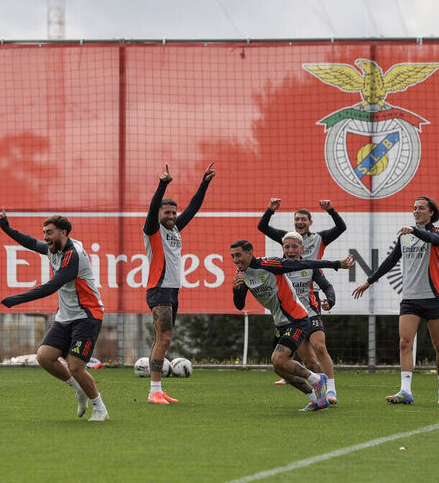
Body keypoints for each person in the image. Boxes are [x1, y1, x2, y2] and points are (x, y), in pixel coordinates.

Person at [0, 211, 109, 421]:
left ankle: (100, 409)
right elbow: (30, 242)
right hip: (65, 316)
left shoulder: (73, 255)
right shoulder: (54, 249)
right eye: (44, 233)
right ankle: (79, 389)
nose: (45, 237)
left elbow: (52, 286)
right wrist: (6, 228)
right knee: (44, 357)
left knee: (75, 365)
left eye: (49, 232)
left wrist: (16, 299)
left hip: (87, 315)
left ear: (63, 233)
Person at [230, 239, 354, 411]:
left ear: (250, 253)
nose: (236, 260)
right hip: (281, 324)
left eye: (239, 255)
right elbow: (239, 305)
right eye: (233, 256)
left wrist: (336, 264)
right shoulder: (242, 275)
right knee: (279, 368)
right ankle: (316, 398)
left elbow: (304, 263)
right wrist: (236, 289)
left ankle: (319, 380)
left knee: (279, 359)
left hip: (297, 319)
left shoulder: (269, 264)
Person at [352, 196, 439, 405]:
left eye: (421, 208)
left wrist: (414, 231)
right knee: (404, 343)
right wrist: (369, 281)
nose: (416, 211)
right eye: (414, 208)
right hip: (410, 299)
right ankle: (405, 390)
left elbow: (436, 241)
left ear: (431, 212)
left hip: (433, 298)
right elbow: (389, 261)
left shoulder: (436, 232)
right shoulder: (404, 236)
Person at [143, 162, 215, 405]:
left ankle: (158, 389)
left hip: (172, 290)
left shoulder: (175, 230)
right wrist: (162, 185)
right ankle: (154, 391)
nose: (172, 216)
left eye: (174, 213)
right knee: (163, 338)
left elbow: (193, 208)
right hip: (158, 289)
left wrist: (204, 183)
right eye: (167, 213)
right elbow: (154, 208)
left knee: (163, 338)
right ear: (159, 215)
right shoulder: (153, 229)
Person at [258, 198, 346, 385]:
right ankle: (298, 373)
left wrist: (331, 210)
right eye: (297, 219)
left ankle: (330, 388)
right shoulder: (288, 238)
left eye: (303, 219)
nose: (300, 222)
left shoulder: (318, 239)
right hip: (290, 300)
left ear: (310, 222)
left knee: (320, 347)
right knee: (306, 357)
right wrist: (270, 210)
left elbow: (341, 227)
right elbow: (263, 227)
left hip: (310, 293)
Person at [280, 231, 340, 404]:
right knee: (310, 363)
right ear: (283, 248)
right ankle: (320, 395)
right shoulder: (277, 268)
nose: (291, 250)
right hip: (293, 320)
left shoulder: (310, 266)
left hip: (311, 314)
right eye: (287, 246)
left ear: (302, 248)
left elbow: (327, 286)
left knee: (320, 348)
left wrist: (330, 300)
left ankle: (331, 390)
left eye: (294, 246)